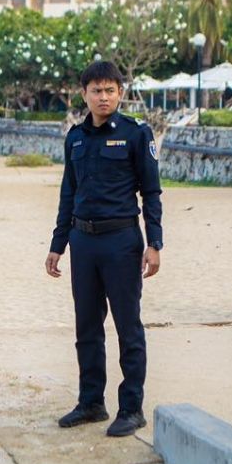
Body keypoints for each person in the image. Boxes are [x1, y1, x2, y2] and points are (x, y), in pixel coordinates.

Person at [46, 60, 162, 438]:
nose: (103, 97)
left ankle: (131, 408)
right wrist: (57, 244)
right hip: (83, 242)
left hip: (122, 242)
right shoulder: (75, 138)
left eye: (110, 90)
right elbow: (68, 192)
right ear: (84, 94)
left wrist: (154, 243)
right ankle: (91, 402)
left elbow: (151, 192)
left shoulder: (136, 134)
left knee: (128, 327)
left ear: (120, 93)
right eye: (96, 90)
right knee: (87, 326)